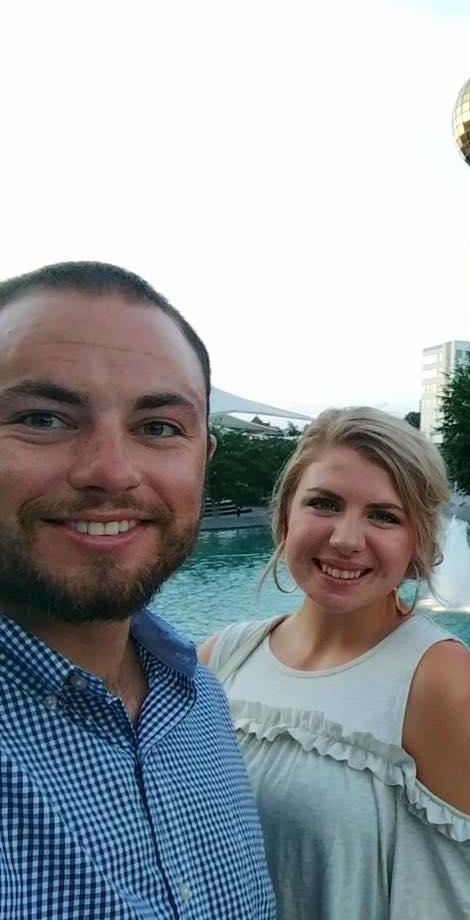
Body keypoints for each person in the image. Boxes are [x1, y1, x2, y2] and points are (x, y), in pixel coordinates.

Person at [0, 262, 275, 918]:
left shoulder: (199, 698)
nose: (111, 472)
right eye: (43, 418)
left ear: (201, 459)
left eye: (158, 428)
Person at [200, 407, 470, 920]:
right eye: (324, 503)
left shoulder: (441, 685)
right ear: (287, 512)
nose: (345, 539)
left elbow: (468, 903)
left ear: (417, 540)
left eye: (384, 515)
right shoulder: (222, 658)